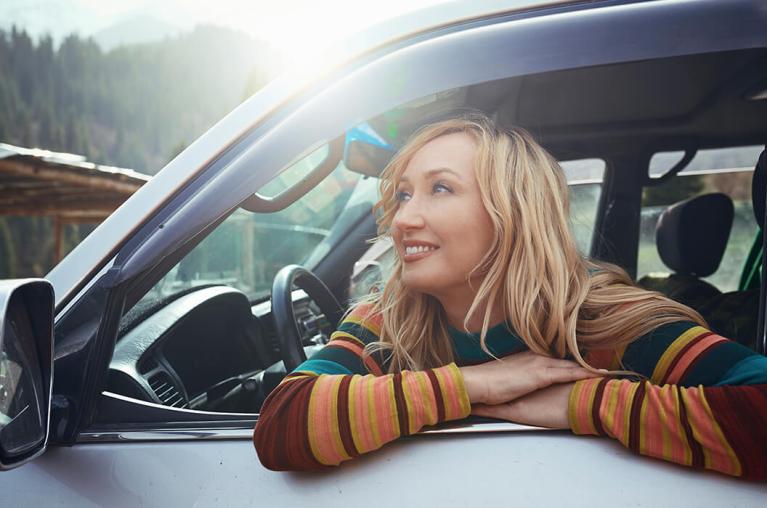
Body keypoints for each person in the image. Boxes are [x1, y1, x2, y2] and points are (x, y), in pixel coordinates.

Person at [253, 113, 767, 479]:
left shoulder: (606, 321)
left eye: (441, 189)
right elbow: (282, 424)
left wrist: (583, 404)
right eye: (404, 194)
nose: (403, 218)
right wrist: (474, 384)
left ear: (511, 216)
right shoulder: (387, 320)